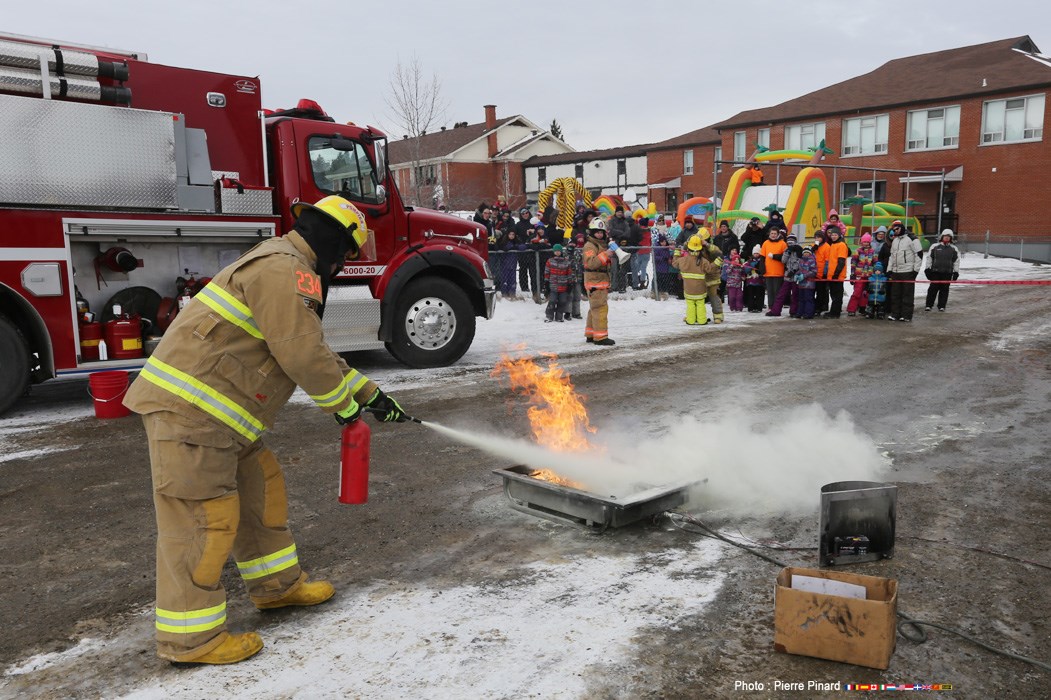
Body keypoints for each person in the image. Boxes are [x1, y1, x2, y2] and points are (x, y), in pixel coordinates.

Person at [124, 196, 407, 665]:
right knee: (201, 521)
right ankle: (192, 640)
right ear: (334, 242)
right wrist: (342, 408)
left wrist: (370, 395)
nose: (343, 264)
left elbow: (312, 349)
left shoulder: (286, 266)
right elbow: (299, 354)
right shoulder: (284, 269)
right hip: (192, 417)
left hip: (220, 420)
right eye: (346, 253)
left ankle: (276, 587)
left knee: (259, 494)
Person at [582, 218, 616, 345]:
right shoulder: (590, 246)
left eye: (601, 232)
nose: (600, 235)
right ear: (592, 233)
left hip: (599, 282)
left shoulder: (600, 245)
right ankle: (600, 337)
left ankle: (591, 334)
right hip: (595, 283)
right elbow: (591, 263)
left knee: (594, 309)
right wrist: (605, 255)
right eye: (597, 232)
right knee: (600, 309)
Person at [885, 219, 923, 321]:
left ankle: (906, 315)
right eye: (893, 229)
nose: (895, 231)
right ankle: (895, 314)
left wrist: (915, 270)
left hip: (908, 271)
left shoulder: (912, 239)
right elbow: (892, 256)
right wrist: (889, 270)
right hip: (896, 272)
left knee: (907, 294)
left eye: (896, 229)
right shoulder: (895, 241)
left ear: (901, 228)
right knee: (895, 294)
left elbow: (919, 255)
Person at [672, 234, 714, 325]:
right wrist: (717, 263)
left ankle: (690, 320)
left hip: (688, 289)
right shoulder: (703, 261)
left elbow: (675, 264)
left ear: (688, 247)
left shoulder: (683, 260)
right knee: (700, 304)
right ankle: (702, 320)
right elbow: (709, 269)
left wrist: (676, 253)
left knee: (690, 304)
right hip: (700, 289)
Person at [924, 229, 961, 311]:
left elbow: (956, 261)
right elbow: (929, 258)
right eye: (945, 236)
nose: (947, 238)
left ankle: (941, 306)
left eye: (949, 237)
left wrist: (956, 272)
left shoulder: (954, 249)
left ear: (951, 238)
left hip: (947, 273)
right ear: (942, 237)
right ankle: (929, 305)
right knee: (932, 289)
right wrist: (927, 269)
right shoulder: (935, 247)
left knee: (944, 290)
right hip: (935, 272)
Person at [766, 233, 802, 317]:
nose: (790, 243)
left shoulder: (799, 249)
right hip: (787, 276)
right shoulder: (787, 250)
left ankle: (794, 311)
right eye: (788, 241)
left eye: (792, 241)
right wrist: (787, 252)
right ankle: (775, 311)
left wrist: (793, 270)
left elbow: (800, 261)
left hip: (796, 276)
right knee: (781, 294)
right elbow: (783, 260)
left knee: (795, 295)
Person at [846, 233, 877, 316]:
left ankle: (862, 308)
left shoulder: (873, 252)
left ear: (870, 242)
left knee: (866, 293)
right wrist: (852, 275)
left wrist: (875, 273)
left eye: (867, 242)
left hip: (869, 276)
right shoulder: (858, 251)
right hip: (859, 275)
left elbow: (875, 263)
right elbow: (853, 263)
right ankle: (851, 309)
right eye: (864, 242)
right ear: (861, 242)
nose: (866, 243)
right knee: (857, 292)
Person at [821, 227, 849, 318]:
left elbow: (841, 261)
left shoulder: (841, 245)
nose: (833, 236)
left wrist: (836, 274)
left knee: (837, 295)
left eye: (835, 235)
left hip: (837, 275)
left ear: (839, 235)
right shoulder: (833, 245)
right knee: (833, 294)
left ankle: (835, 312)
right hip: (831, 275)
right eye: (832, 235)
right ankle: (833, 310)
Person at [712, 219, 740, 301]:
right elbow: (714, 248)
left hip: (729, 259)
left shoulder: (733, 237)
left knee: (727, 277)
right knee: (719, 278)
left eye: (725, 226)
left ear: (727, 227)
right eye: (722, 226)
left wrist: (734, 257)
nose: (723, 228)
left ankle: (731, 297)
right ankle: (719, 296)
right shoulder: (717, 237)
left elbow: (737, 248)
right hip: (719, 259)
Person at [543, 244, 572, 322]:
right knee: (552, 300)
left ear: (561, 252)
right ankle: (549, 316)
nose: (557, 252)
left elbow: (569, 273)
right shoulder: (550, 261)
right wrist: (546, 282)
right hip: (553, 285)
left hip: (563, 285)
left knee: (562, 301)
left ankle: (559, 317)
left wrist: (570, 283)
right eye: (556, 251)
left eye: (559, 251)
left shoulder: (566, 262)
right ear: (553, 252)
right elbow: (547, 272)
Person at [760, 227, 787, 309]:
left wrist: (775, 257)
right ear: (769, 234)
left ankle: (777, 307)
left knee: (777, 291)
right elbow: (762, 257)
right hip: (768, 272)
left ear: (778, 234)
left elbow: (785, 257)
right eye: (772, 233)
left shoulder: (783, 244)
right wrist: (762, 267)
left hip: (778, 272)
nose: (773, 235)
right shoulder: (765, 243)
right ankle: (771, 306)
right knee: (770, 291)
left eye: (775, 233)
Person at [795, 245, 818, 319]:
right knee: (801, 298)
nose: (806, 254)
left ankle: (808, 313)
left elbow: (814, 271)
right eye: (804, 252)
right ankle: (800, 312)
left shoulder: (812, 261)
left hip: (809, 284)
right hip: (801, 284)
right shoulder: (801, 260)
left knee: (808, 298)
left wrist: (804, 276)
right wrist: (797, 275)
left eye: (807, 252)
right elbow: (799, 269)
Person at [631, 218, 653, 290]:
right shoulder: (649, 231)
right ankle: (642, 282)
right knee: (644, 268)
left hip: (639, 251)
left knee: (636, 267)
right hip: (647, 251)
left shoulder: (638, 231)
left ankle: (634, 280)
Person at [743, 245, 766, 312]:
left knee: (759, 295)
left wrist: (759, 269)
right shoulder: (749, 261)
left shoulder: (762, 261)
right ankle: (750, 308)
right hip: (750, 282)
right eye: (755, 253)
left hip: (760, 282)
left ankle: (759, 307)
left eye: (757, 253)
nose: (756, 255)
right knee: (750, 295)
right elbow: (745, 269)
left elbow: (763, 270)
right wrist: (750, 267)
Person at [653, 233, 676, 300]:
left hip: (665, 268)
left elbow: (668, 255)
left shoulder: (666, 248)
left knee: (665, 281)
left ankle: (664, 292)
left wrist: (669, 258)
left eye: (665, 241)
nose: (664, 243)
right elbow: (655, 257)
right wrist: (663, 258)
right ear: (660, 242)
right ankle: (658, 292)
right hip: (659, 268)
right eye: (662, 242)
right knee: (659, 281)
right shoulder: (657, 248)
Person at [812, 230, 829, 315]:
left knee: (821, 292)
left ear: (822, 238)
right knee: (812, 291)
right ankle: (814, 306)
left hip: (821, 273)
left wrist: (825, 273)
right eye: (816, 237)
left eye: (819, 237)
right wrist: (813, 249)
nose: (817, 239)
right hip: (813, 273)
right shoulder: (813, 246)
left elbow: (827, 261)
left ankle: (820, 307)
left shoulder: (826, 247)